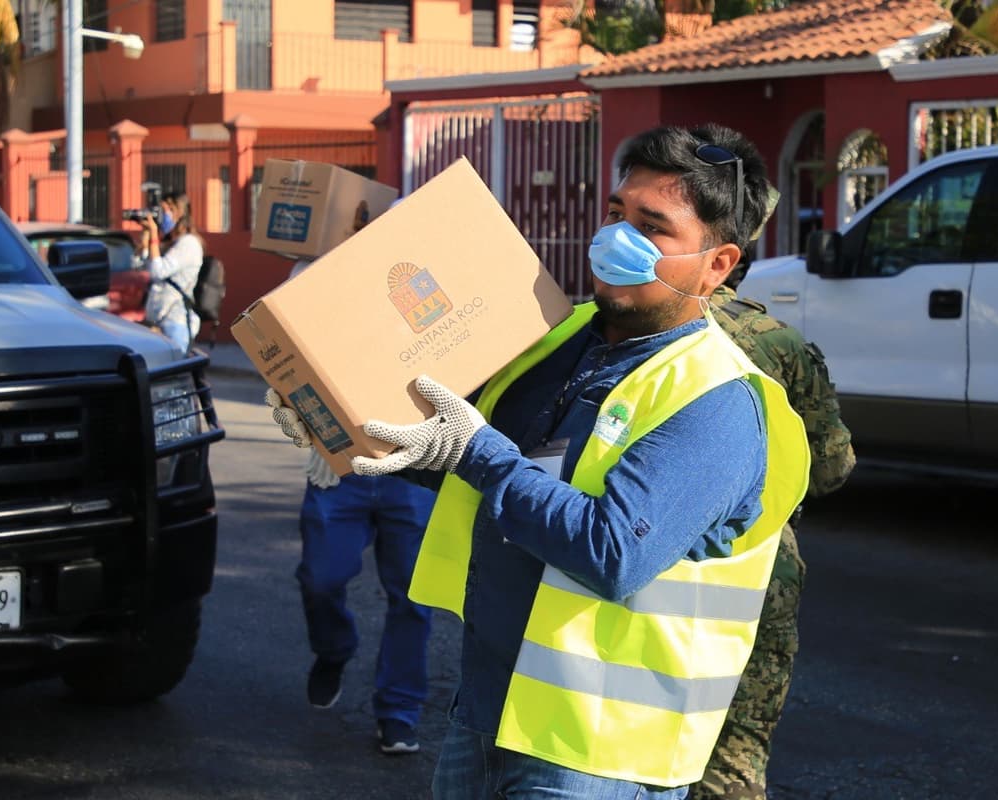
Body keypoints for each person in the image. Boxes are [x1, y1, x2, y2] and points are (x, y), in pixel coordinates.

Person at [269, 123, 810, 799]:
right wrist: (345, 436)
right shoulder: (556, 338)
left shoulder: (717, 399)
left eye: (653, 226)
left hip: (597, 753)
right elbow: (471, 457)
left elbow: (612, 550)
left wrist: (477, 449)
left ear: (717, 264)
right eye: (616, 213)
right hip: (488, 708)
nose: (619, 237)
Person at [691, 252, 856, 800]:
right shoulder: (778, 341)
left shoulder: (601, 324)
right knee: (731, 763)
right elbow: (831, 469)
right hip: (756, 566)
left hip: (625, 555)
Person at [275, 259, 436, 756]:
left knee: (412, 597)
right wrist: (284, 400)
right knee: (320, 579)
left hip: (413, 466)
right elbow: (281, 351)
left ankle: (398, 710)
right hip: (338, 467)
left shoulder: (420, 276)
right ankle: (334, 649)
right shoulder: (315, 273)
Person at [140, 191, 203, 353]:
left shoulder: (189, 244)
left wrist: (154, 236)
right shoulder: (171, 243)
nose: (161, 217)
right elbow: (140, 265)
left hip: (175, 323)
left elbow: (157, 271)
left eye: (165, 211)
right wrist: (146, 237)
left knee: (174, 376)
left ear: (179, 212)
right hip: (157, 321)